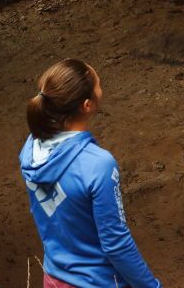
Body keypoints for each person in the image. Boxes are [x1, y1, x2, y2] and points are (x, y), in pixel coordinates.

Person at [19, 59, 161, 288]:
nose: (101, 89)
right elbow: (116, 243)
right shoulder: (97, 165)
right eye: (99, 85)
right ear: (87, 105)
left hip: (55, 279)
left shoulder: (31, 149)